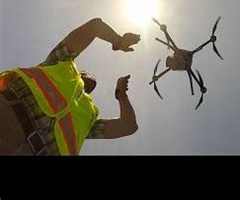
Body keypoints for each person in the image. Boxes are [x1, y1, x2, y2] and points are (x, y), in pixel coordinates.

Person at [0, 17, 141, 155]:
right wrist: (118, 41)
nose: (90, 85)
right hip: (9, 112)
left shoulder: (89, 115)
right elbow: (95, 26)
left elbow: (128, 126)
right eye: (86, 77)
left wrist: (121, 93)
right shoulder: (61, 63)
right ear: (80, 73)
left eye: (91, 87)